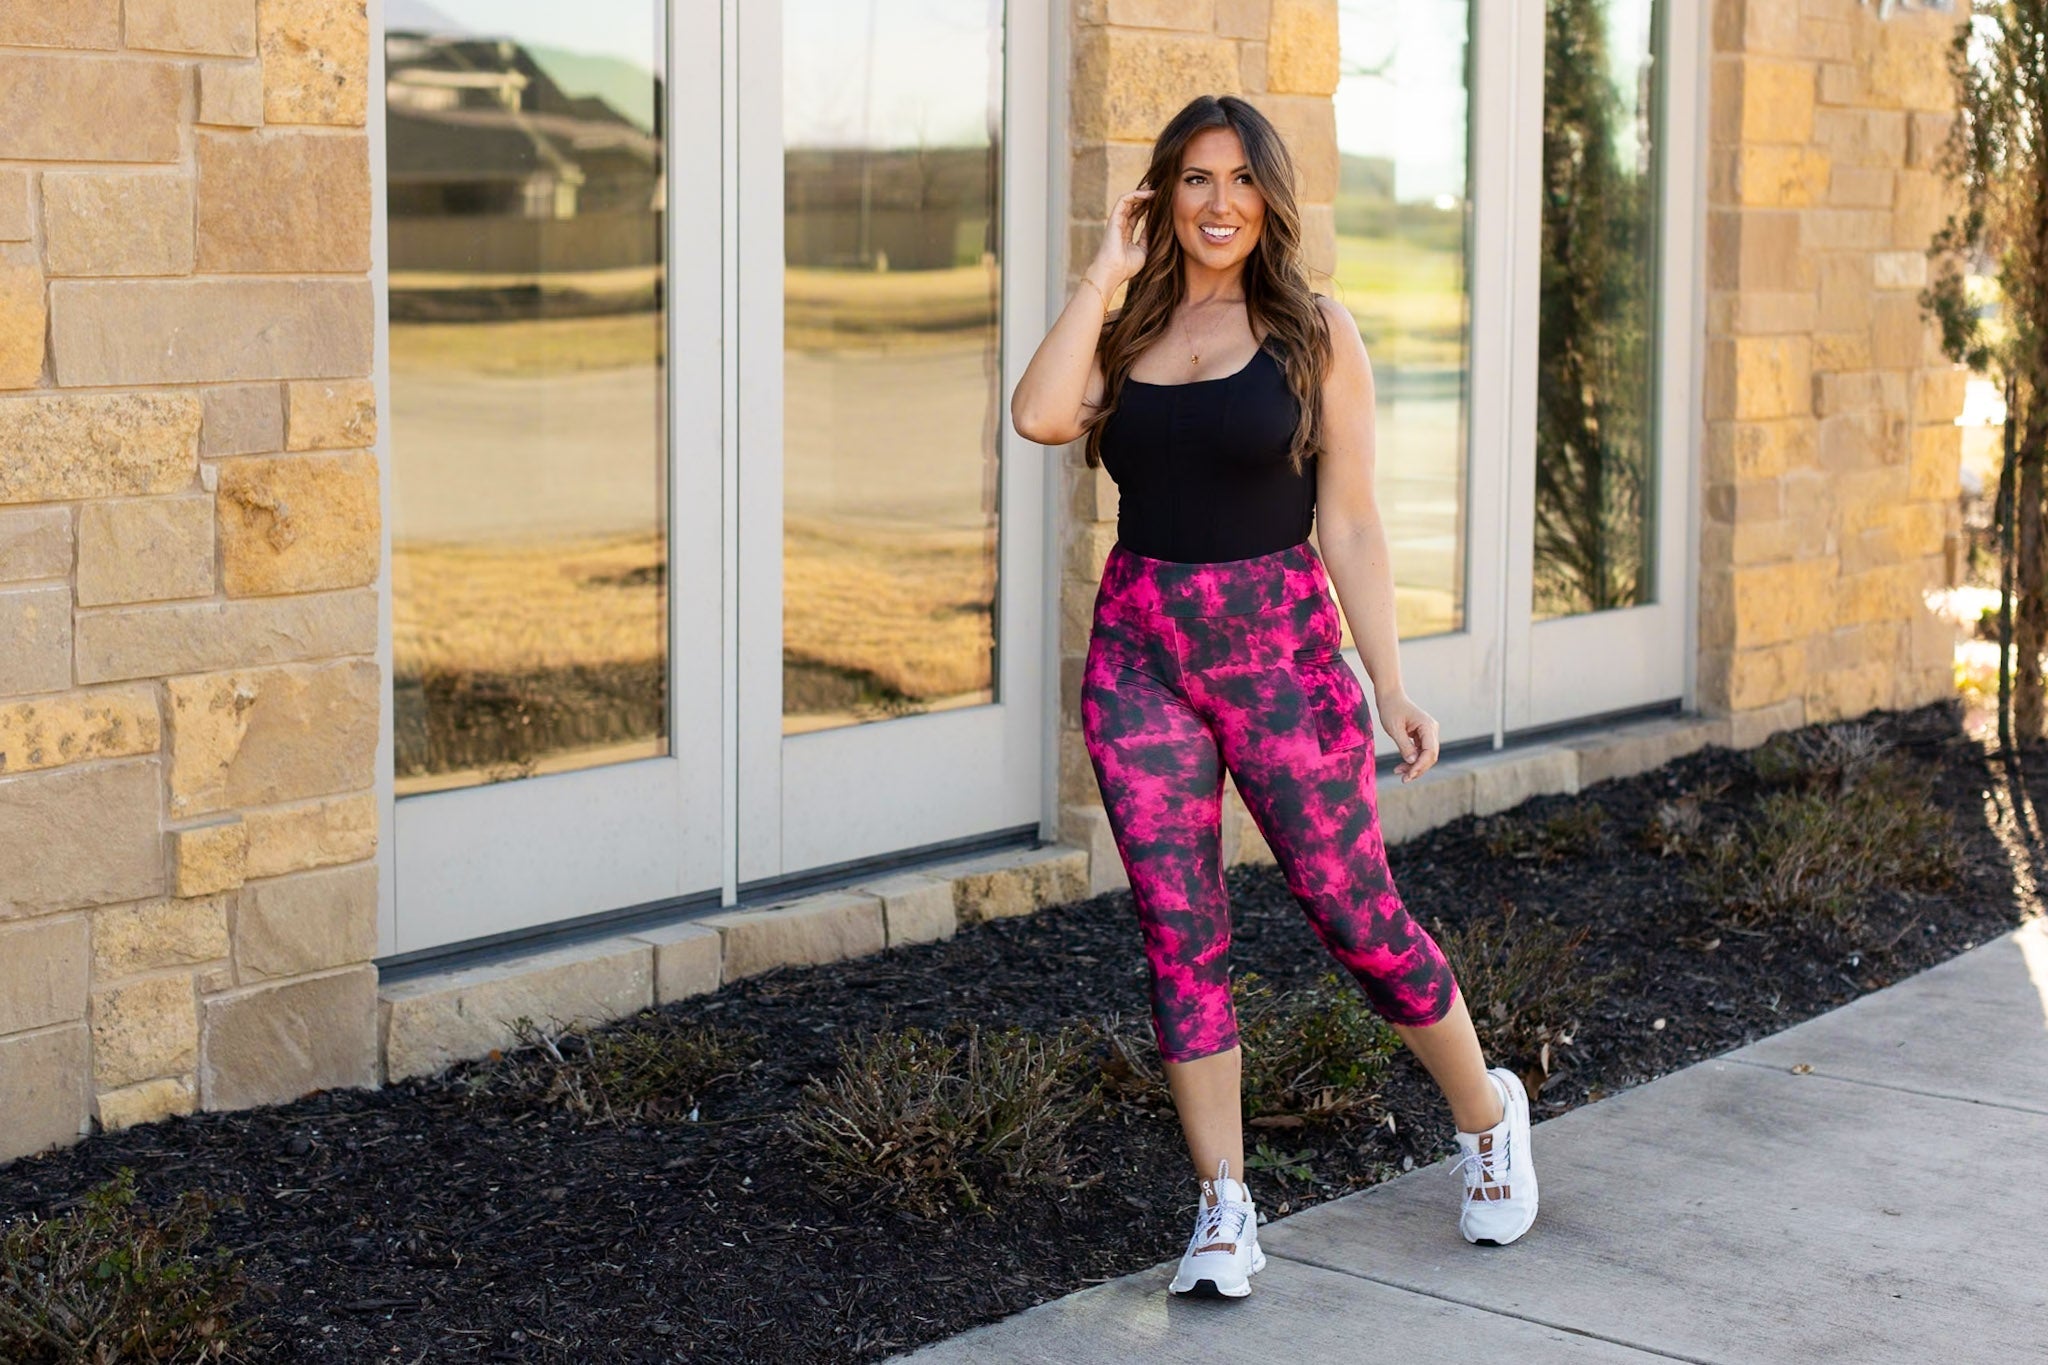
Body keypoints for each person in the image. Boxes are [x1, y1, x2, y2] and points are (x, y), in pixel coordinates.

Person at [1010, 94, 1538, 1298]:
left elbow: (1348, 519)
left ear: (1270, 197)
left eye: (1241, 179)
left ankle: (1484, 1115)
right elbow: (1038, 414)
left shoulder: (1311, 331)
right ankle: (1223, 1207)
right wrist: (1101, 272)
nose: (1218, 203)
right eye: (1195, 179)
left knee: (1352, 911)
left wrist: (1388, 682)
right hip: (1140, 657)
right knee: (1177, 932)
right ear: (1162, 194)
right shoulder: (1126, 328)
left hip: (1281, 660)